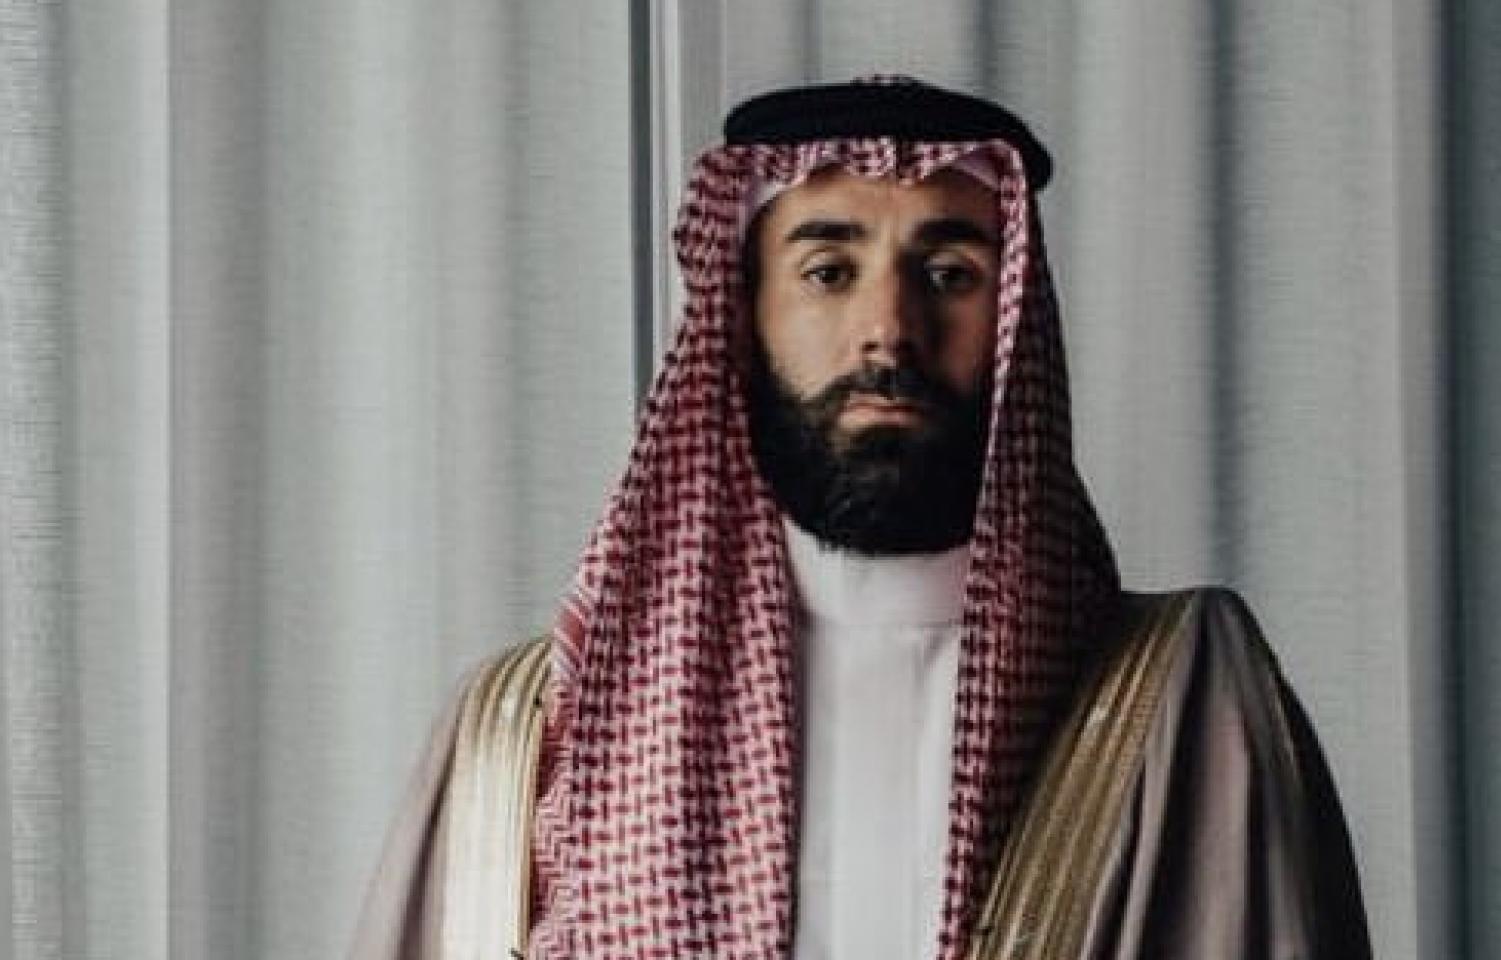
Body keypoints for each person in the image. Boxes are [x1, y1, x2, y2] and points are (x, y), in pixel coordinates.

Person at [348, 76, 1371, 960]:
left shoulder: (1178, 698)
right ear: (743, 320)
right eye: (828, 272)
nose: (888, 330)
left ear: (1013, 321)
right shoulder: (527, 736)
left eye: (948, 275)